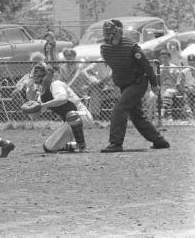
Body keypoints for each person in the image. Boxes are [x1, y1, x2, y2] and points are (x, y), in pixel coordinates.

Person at [99, 19, 170, 152]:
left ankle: (115, 143)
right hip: (124, 84)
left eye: (110, 34)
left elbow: (147, 67)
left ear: (118, 33)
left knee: (119, 109)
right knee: (137, 116)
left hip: (138, 82)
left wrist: (154, 84)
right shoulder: (105, 48)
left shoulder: (132, 47)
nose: (107, 37)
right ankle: (159, 141)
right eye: (106, 34)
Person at [31, 64, 93, 152]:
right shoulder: (43, 96)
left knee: (72, 115)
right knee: (48, 147)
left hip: (82, 116)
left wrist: (42, 105)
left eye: (42, 77)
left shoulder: (56, 84)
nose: (42, 81)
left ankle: (81, 145)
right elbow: (34, 116)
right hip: (70, 121)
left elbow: (62, 99)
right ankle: (75, 145)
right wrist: (30, 101)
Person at [158, 49, 188, 119]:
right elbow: (158, 82)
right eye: (162, 57)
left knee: (168, 93)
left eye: (166, 57)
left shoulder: (174, 67)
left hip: (173, 88)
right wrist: (163, 74)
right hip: (162, 89)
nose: (164, 59)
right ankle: (169, 116)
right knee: (167, 96)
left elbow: (177, 81)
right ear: (160, 58)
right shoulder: (159, 68)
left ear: (169, 58)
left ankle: (163, 111)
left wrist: (169, 74)